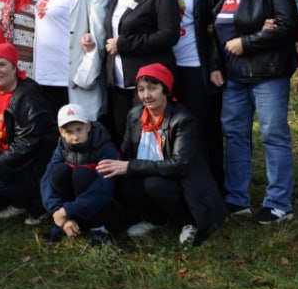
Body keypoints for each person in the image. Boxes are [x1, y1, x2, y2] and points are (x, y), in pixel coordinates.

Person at [212, 0, 298, 226]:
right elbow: (215, 30)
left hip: (268, 73)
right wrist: (217, 65)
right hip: (232, 76)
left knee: (273, 136)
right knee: (235, 136)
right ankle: (237, 199)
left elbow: (288, 26)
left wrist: (247, 42)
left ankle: (278, 204)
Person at [97, 64, 226, 246]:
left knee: (154, 184)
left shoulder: (182, 119)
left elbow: (179, 165)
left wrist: (130, 166)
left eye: (152, 88)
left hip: (182, 183)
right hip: (149, 173)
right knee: (124, 182)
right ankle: (154, 219)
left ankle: (188, 222)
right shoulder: (134, 115)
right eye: (141, 89)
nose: (146, 95)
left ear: (165, 89)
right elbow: (127, 153)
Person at [159, 0, 227, 190]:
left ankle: (209, 186)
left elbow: (217, 31)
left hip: (195, 65)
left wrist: (214, 65)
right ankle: (174, 185)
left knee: (201, 128)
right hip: (166, 65)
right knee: (168, 128)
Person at [102, 0, 180, 143]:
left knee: (148, 137)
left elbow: (169, 35)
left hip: (148, 81)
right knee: (122, 136)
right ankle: (124, 174)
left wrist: (124, 44)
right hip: (118, 81)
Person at [0, 43, 56, 224]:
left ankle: (37, 202)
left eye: (2, 64)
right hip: (8, 154)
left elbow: (28, 143)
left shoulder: (28, 97)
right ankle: (19, 202)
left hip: (33, 161)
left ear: (14, 67)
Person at [32, 0, 109, 113]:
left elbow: (98, 38)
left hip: (69, 79)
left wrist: (84, 76)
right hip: (44, 76)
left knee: (74, 135)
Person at [39, 103, 118, 245]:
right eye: (69, 132)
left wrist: (68, 210)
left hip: (104, 205)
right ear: (61, 132)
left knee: (82, 174)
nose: (75, 137)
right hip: (72, 208)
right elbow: (46, 179)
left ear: (88, 126)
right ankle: (67, 224)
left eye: (79, 129)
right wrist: (59, 212)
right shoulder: (62, 147)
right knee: (58, 172)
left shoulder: (105, 147)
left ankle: (98, 228)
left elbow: (105, 188)